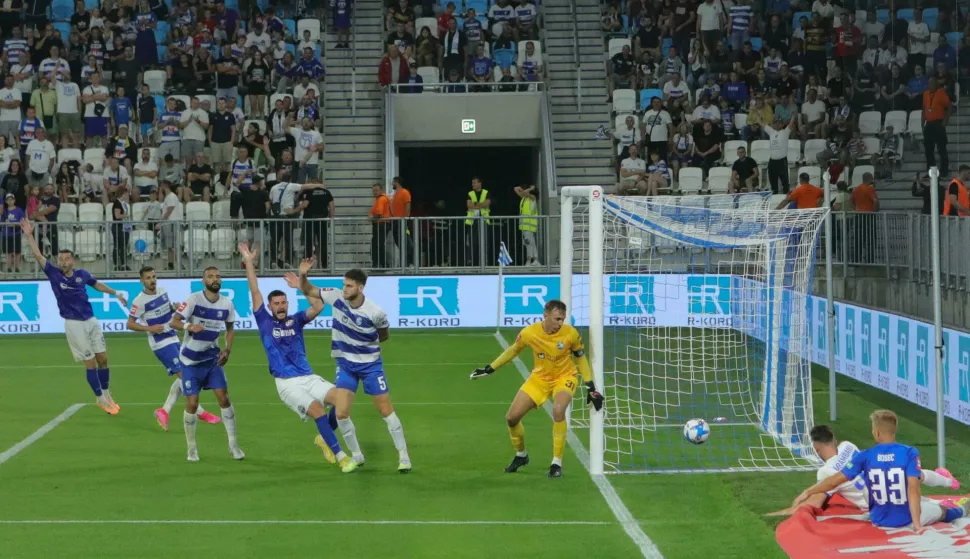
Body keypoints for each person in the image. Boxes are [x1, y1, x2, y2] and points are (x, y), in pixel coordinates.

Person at [241, 249, 358, 473]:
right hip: (286, 383)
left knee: (342, 401)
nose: (281, 306)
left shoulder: (296, 320)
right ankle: (342, 457)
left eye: (284, 302)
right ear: (270, 306)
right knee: (317, 411)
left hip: (308, 376)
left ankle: (324, 438)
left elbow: (318, 307)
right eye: (276, 303)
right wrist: (249, 263)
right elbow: (254, 290)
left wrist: (301, 283)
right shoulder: (264, 321)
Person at [286, 267, 412, 473]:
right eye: (344, 284)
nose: (344, 289)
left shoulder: (375, 312)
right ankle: (357, 456)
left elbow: (384, 335)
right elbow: (309, 289)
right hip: (345, 365)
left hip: (371, 366)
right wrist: (302, 276)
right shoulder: (335, 297)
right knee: (342, 413)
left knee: (386, 411)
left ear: (360, 288)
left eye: (349, 286)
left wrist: (363, 343)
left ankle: (404, 456)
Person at [469, 299, 603, 478]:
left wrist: (590, 386)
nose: (560, 323)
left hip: (564, 377)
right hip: (539, 378)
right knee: (511, 418)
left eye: (562, 319)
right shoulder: (530, 333)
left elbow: (580, 357)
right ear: (545, 315)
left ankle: (556, 463)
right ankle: (521, 455)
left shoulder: (570, 334)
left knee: (558, 410)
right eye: (556, 319)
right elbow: (513, 350)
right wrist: (490, 368)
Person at [793, 410, 970, 531]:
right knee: (940, 510)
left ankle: (945, 492)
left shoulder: (865, 456)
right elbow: (913, 488)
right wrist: (917, 524)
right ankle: (960, 510)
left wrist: (807, 491)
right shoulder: (908, 452)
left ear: (877, 433)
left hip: (879, 518)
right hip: (905, 518)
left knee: (873, 484)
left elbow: (833, 481)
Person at [20, 218, 127, 414]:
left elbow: (97, 284)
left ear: (73, 261)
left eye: (66, 259)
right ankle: (100, 399)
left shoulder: (82, 274)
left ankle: (106, 393)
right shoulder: (53, 274)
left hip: (91, 320)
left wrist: (116, 293)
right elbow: (37, 254)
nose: (63, 262)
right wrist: (29, 235)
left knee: (103, 358)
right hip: (74, 324)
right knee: (90, 362)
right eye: (60, 259)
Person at [766, 423, 960, 516]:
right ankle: (947, 482)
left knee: (933, 512)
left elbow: (816, 500)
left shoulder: (825, 472)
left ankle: (955, 510)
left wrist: (779, 513)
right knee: (914, 476)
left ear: (816, 449)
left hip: (879, 504)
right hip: (890, 482)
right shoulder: (848, 446)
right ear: (833, 437)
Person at [126, 266, 221, 430]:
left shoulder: (162, 291)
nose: (152, 280)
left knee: (184, 375)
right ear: (142, 281)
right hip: (160, 343)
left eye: (154, 277)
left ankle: (164, 411)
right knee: (185, 376)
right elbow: (130, 324)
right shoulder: (139, 301)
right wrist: (149, 328)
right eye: (148, 278)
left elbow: (167, 308)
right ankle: (201, 413)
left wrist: (174, 308)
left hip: (172, 336)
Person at [169, 266, 243, 462]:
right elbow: (173, 321)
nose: (215, 279)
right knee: (192, 403)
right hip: (190, 361)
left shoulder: (227, 304)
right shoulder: (194, 299)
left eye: (218, 276)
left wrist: (227, 349)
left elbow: (229, 329)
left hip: (212, 359)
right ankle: (191, 448)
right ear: (204, 281)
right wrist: (188, 326)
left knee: (224, 399)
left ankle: (233, 445)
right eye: (210, 276)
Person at [922, 78, 951, 175]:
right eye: (929, 83)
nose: (930, 84)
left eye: (932, 82)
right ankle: (931, 171)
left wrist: (946, 120)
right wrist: (922, 122)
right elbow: (924, 108)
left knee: (941, 148)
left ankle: (944, 170)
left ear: (936, 83)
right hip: (929, 123)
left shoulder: (941, 93)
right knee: (928, 149)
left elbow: (949, 106)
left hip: (938, 123)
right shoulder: (925, 93)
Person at [766, 114, 796, 194]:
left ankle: (787, 199)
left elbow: (791, 123)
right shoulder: (771, 132)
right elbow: (762, 123)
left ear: (783, 124)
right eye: (775, 123)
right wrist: (756, 113)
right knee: (773, 183)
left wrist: (793, 115)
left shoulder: (785, 132)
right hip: (772, 162)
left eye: (779, 122)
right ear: (773, 124)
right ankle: (774, 200)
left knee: (785, 183)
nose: (777, 124)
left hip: (782, 162)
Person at [514, 184, 539, 266]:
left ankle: (529, 260)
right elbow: (516, 189)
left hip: (529, 224)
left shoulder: (533, 198)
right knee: (531, 242)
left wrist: (530, 189)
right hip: (524, 225)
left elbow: (525, 193)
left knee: (528, 243)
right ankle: (535, 259)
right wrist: (526, 188)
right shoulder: (524, 198)